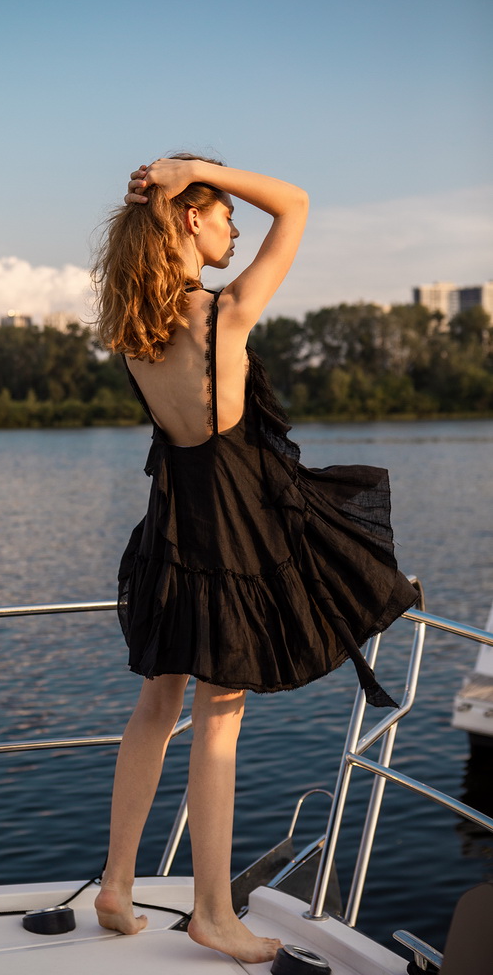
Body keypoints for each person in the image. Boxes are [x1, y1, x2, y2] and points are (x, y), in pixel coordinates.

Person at [91, 155, 418, 964]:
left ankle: (116, 885)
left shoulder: (134, 329)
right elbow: (296, 202)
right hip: (229, 537)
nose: (234, 227)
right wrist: (197, 167)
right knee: (219, 720)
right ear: (189, 217)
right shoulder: (221, 315)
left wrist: (175, 182)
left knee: (156, 706)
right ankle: (212, 912)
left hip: (171, 532)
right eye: (222, 213)